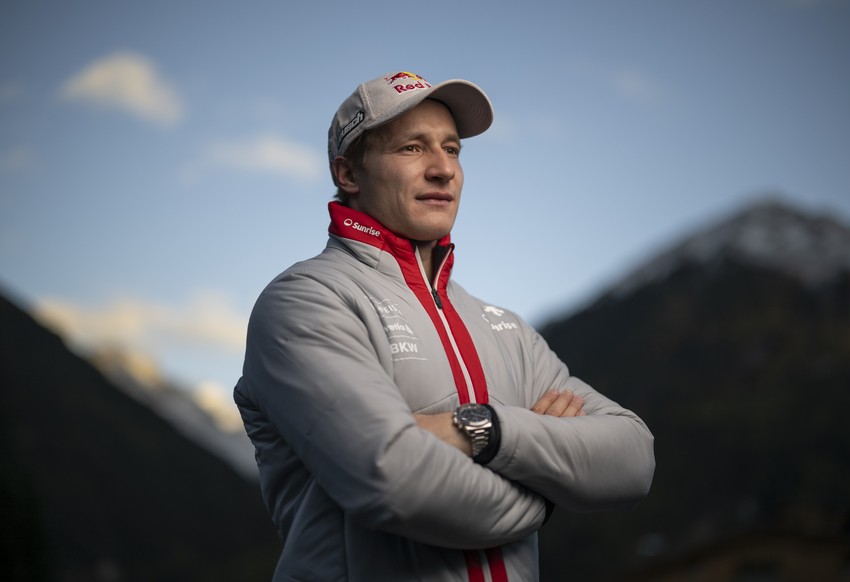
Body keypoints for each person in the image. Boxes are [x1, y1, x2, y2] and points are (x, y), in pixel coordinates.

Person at [234, 70, 655, 582]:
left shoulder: (504, 328)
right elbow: (391, 478)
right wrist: (548, 489)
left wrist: (486, 430)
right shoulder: (307, 301)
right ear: (348, 173)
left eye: (452, 149)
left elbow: (633, 459)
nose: (442, 170)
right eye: (412, 148)